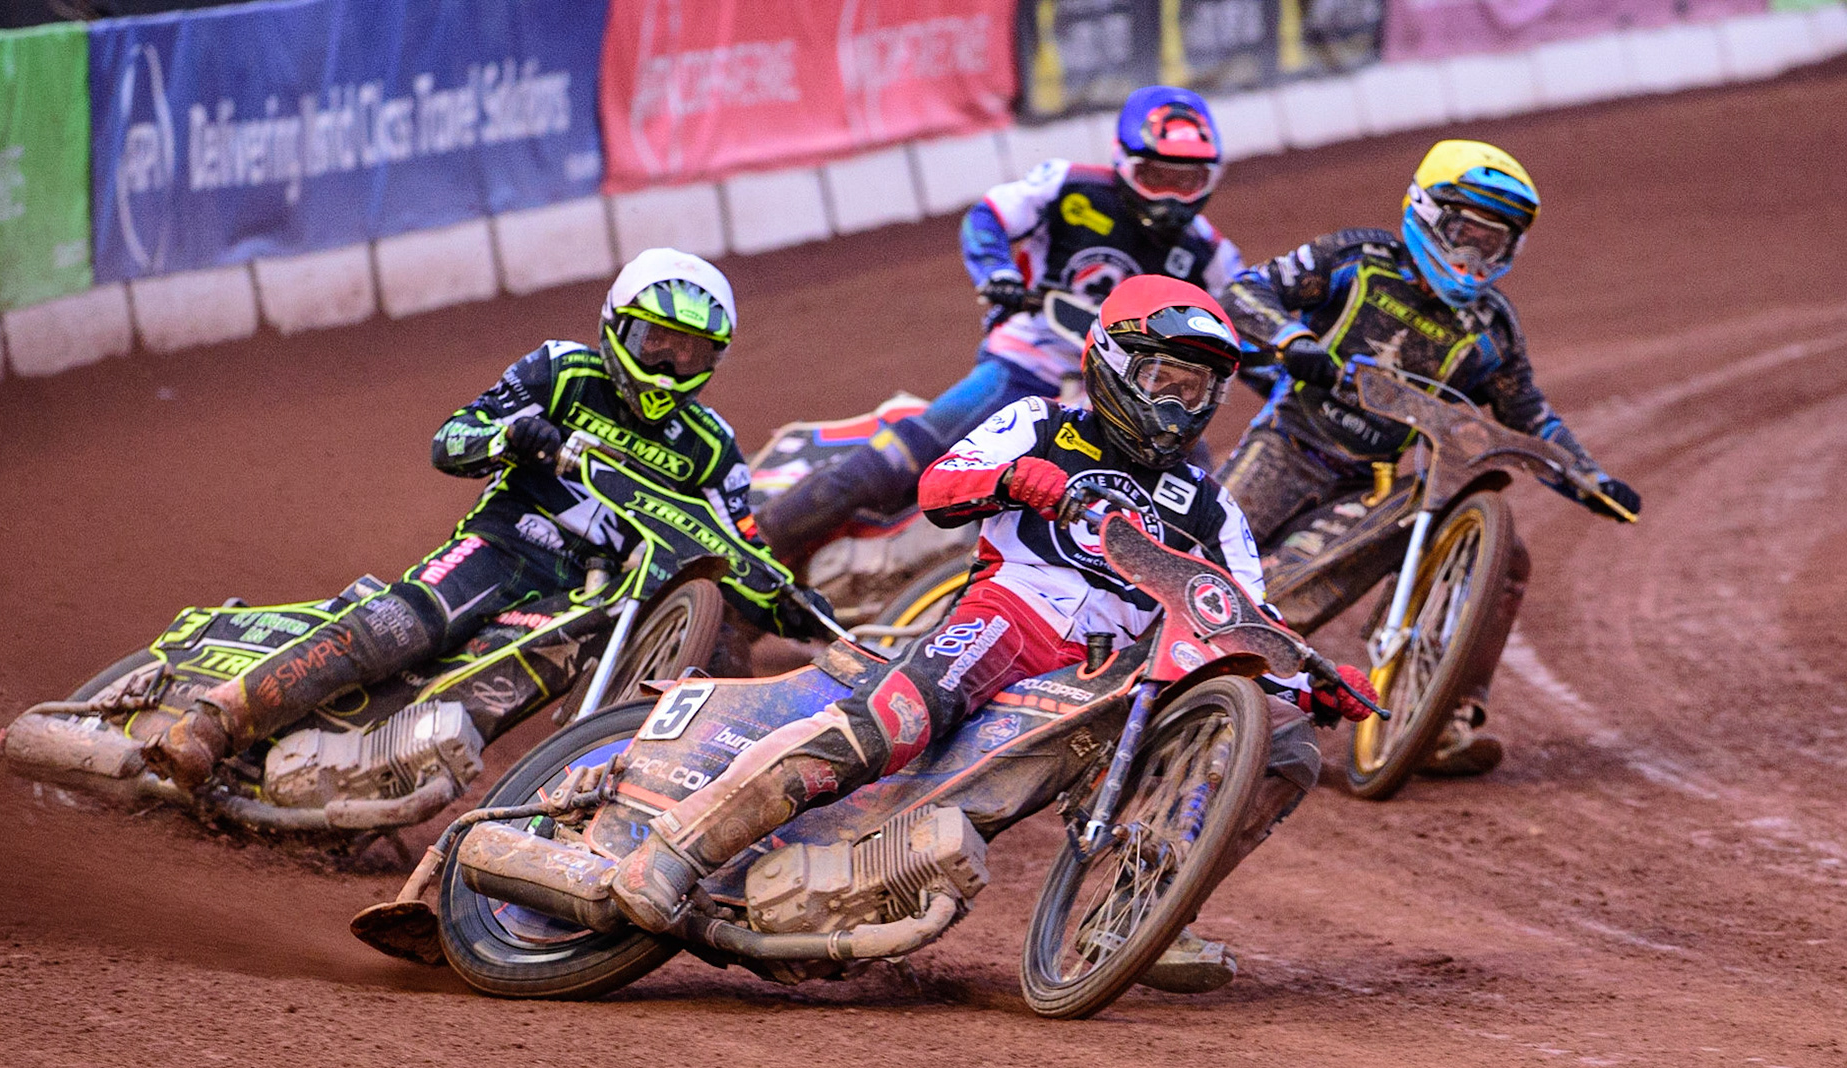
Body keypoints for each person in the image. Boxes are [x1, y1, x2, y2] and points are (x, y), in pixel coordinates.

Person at [605, 276, 1375, 992]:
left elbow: (1241, 616)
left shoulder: (1213, 508)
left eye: (1194, 389)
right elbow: (939, 486)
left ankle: (1143, 911)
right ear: (1111, 363)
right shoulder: (1043, 422)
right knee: (892, 721)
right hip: (1008, 619)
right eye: (1160, 381)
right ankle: (678, 851)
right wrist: (1012, 479)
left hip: (1115, 679)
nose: (1176, 405)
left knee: (1285, 739)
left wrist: (1314, 678)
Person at [148, 248, 808, 792]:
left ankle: (388, 786)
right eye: (655, 342)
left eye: (689, 354)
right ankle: (218, 718)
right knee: (404, 626)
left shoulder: (712, 446)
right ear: (616, 326)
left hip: (589, 595)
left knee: (492, 699)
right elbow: (452, 437)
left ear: (713, 359)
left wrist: (793, 604)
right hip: (505, 544)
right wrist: (515, 437)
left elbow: (737, 543)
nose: (667, 367)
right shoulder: (561, 370)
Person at [1215, 140, 1641, 777]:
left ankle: (1444, 719)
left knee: (1506, 558)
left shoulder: (1490, 328)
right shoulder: (1356, 259)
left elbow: (1527, 412)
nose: (1474, 257)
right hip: (1288, 443)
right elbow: (1245, 292)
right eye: (1466, 234)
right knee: (1202, 564)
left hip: (1379, 479)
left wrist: (1589, 476)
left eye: (1492, 244)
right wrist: (1293, 339)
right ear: (1428, 213)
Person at [752, 85, 1245, 568]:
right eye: (1156, 176)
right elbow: (987, 216)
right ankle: (752, 551)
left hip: (1136, 396)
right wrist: (999, 274)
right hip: (1029, 361)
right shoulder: (1067, 184)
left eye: (1188, 181)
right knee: (903, 456)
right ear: (1123, 160)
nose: (1171, 199)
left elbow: (1247, 327)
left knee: (1191, 493)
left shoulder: (1212, 252)